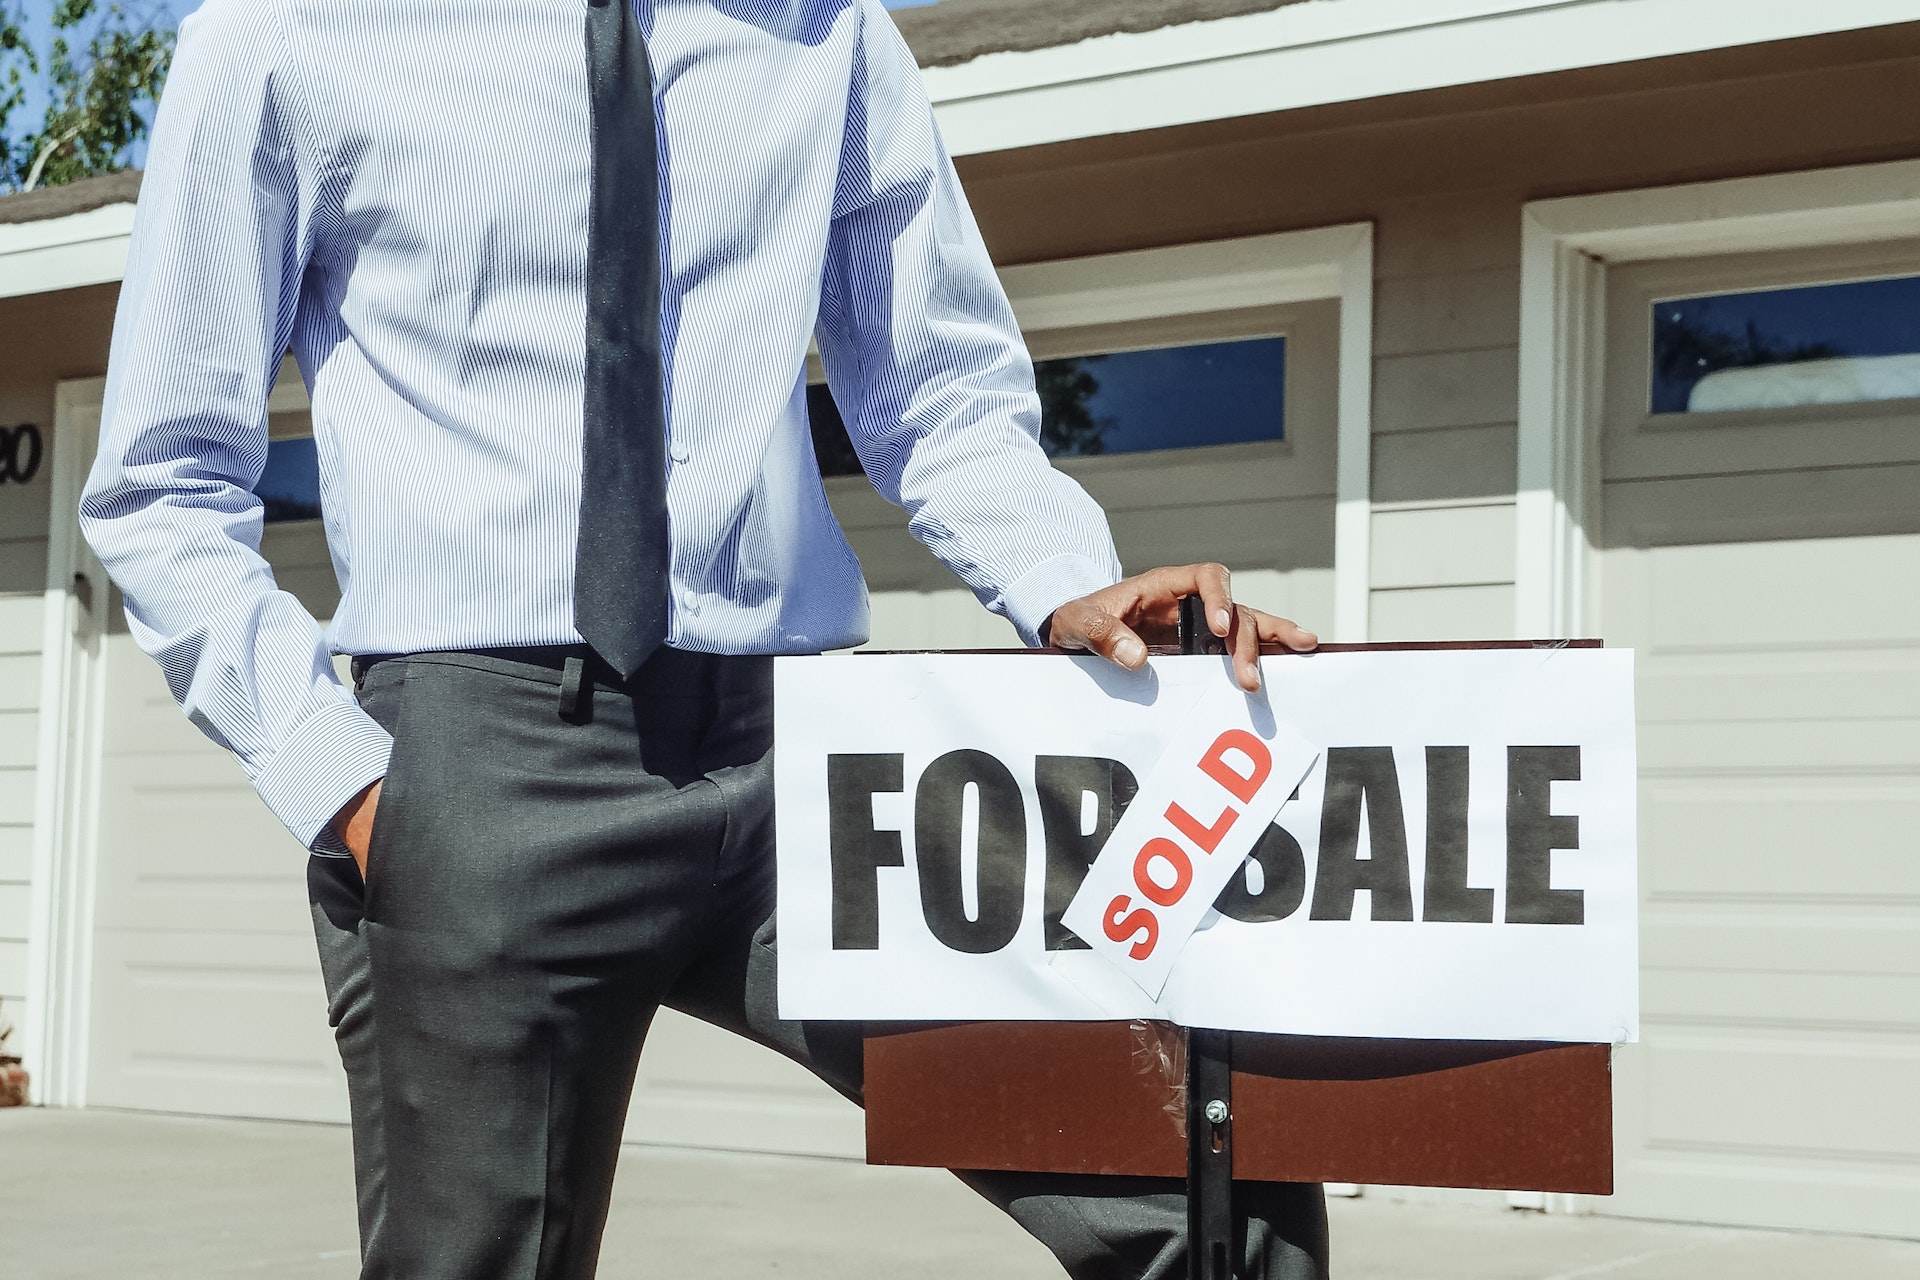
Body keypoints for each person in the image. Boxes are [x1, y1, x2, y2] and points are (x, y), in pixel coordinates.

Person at [80, 2, 1326, 1277]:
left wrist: (1067, 583)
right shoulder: (285, 32)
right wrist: (349, 787)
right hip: (484, 768)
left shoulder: (828, 33)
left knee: (1210, 1179)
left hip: (801, 753)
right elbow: (160, 483)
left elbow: (938, 390)